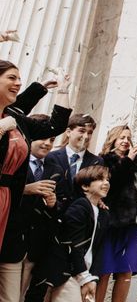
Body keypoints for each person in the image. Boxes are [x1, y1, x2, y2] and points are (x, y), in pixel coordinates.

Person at [0, 61, 72, 300]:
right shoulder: (6, 121)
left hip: (8, 206)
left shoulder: (15, 118)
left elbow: (55, 125)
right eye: (12, 77)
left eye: (20, 78)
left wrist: (61, 90)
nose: (18, 83)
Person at [0, 117, 63, 302]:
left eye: (52, 140)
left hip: (34, 246)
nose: (47, 143)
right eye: (43, 138)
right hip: (9, 240)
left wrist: (53, 204)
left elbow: (60, 209)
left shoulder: (57, 169)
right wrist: (25, 190)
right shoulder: (14, 159)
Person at [94, 126, 137, 302]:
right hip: (111, 221)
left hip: (133, 221)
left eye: (128, 138)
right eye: (121, 137)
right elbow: (111, 184)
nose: (125, 141)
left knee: (126, 270)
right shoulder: (103, 160)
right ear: (113, 139)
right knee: (103, 270)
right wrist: (128, 160)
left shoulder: (136, 162)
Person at [35, 165, 110, 302]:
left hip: (86, 274)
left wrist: (93, 277)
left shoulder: (103, 213)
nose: (106, 183)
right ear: (85, 186)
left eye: (107, 179)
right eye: (100, 179)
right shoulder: (79, 207)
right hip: (68, 273)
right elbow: (74, 246)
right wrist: (85, 278)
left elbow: (98, 249)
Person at [46, 114, 102, 212]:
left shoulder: (97, 162)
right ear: (68, 132)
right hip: (53, 215)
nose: (86, 136)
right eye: (82, 131)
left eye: (89, 133)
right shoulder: (51, 157)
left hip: (81, 217)